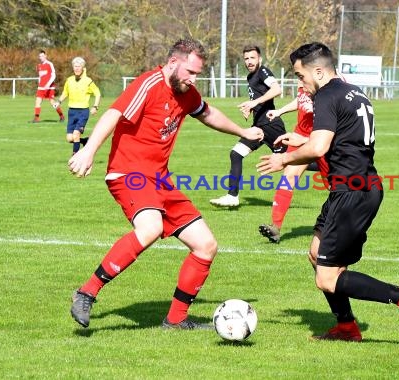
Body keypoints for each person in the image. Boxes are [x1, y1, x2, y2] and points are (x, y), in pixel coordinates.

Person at [68, 38, 263, 329]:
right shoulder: (149, 84)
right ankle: (87, 292)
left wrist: (242, 131)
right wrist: (89, 150)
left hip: (160, 179)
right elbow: (113, 113)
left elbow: (207, 113)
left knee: (206, 245)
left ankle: (176, 320)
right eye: (191, 72)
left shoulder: (185, 91)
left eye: (198, 74)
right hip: (128, 173)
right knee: (151, 229)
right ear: (173, 63)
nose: (194, 79)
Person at [257, 42, 399, 343]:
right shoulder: (354, 92)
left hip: (352, 192)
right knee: (316, 254)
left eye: (300, 76)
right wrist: (299, 140)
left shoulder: (326, 95)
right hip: (357, 187)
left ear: (319, 71)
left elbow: (321, 146)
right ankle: (347, 327)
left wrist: (284, 158)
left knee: (327, 278)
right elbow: (341, 148)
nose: (301, 83)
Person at [209, 45, 287, 208]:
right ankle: (232, 196)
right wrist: (251, 108)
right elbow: (260, 98)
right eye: (246, 58)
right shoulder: (250, 77)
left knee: (293, 160)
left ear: (259, 59)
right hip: (258, 127)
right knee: (236, 154)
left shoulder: (263, 72)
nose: (249, 61)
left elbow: (277, 89)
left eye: (253, 58)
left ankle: (329, 168)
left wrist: (255, 102)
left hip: (272, 126)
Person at [258, 81, 315, 243]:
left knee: (336, 184)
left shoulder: (329, 81)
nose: (300, 79)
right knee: (288, 177)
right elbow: (301, 100)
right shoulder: (304, 77)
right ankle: (275, 227)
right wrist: (280, 111)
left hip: (322, 139)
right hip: (299, 136)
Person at [54, 57, 101, 156]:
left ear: (83, 68)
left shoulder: (88, 81)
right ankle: (85, 141)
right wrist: (59, 101)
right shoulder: (69, 80)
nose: (77, 68)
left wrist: (95, 106)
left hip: (83, 112)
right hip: (71, 112)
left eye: (79, 66)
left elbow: (97, 93)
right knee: (70, 138)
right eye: (75, 66)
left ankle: (75, 155)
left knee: (76, 134)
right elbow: (65, 93)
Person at [31, 50, 65, 123]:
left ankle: (61, 116)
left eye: (42, 56)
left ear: (45, 56)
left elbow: (53, 75)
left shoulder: (50, 64)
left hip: (49, 87)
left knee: (52, 103)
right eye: (40, 56)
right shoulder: (39, 66)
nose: (41, 57)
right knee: (37, 102)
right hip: (41, 87)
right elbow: (40, 77)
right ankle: (36, 118)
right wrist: (39, 84)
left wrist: (48, 84)